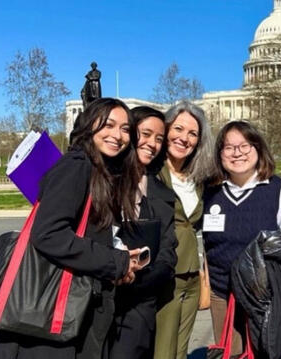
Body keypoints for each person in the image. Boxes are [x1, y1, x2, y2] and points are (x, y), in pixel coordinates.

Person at [0, 97, 145, 359]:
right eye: (108, 125)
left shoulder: (99, 171)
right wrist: (114, 261)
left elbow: (85, 233)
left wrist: (119, 264)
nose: (117, 135)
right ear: (88, 125)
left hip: (71, 308)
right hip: (51, 316)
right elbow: (49, 233)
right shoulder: (77, 166)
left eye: (125, 129)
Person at [203, 120, 281, 356]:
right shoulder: (210, 191)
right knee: (230, 353)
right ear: (220, 154)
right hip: (221, 293)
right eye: (228, 147)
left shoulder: (279, 190)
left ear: (258, 149)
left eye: (245, 146)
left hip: (262, 296)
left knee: (263, 352)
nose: (237, 153)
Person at [107, 106, 178, 359]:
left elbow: (168, 255)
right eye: (146, 134)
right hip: (98, 300)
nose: (153, 144)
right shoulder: (101, 180)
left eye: (159, 139)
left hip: (138, 305)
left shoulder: (162, 194)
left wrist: (136, 279)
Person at [154, 101, 214, 359]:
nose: (184, 138)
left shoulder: (197, 177)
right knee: (162, 350)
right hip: (164, 274)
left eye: (193, 134)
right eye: (178, 129)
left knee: (181, 350)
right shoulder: (151, 173)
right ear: (166, 130)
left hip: (191, 275)